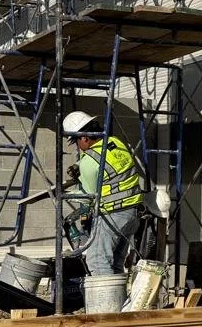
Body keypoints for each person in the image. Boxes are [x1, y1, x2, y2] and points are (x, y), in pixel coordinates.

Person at [60, 111, 144, 280]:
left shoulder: (88, 163)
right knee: (115, 263)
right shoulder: (115, 142)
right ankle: (120, 303)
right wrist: (79, 166)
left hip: (112, 215)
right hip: (132, 212)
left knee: (97, 261)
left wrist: (67, 194)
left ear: (84, 138)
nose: (78, 146)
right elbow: (109, 166)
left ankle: (107, 306)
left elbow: (90, 198)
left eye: (76, 141)